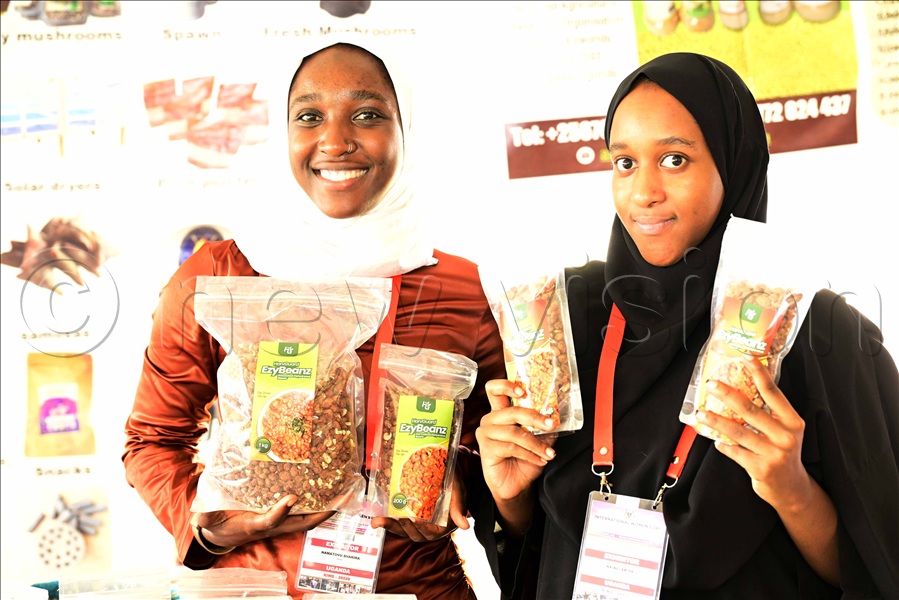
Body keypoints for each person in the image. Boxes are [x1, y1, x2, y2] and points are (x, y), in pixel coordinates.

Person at [473, 52, 899, 599]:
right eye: (625, 162)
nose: (643, 192)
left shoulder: (817, 336)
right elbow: (541, 556)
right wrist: (510, 497)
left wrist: (791, 490)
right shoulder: (563, 317)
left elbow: (879, 567)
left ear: (733, 164)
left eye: (674, 160)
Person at [123, 36, 505, 599]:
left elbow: (495, 446)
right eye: (309, 116)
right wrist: (210, 527)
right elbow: (152, 441)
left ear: (407, 128)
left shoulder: (462, 288)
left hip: (417, 589)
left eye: (368, 115)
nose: (335, 141)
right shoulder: (217, 277)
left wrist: (459, 485)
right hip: (255, 589)